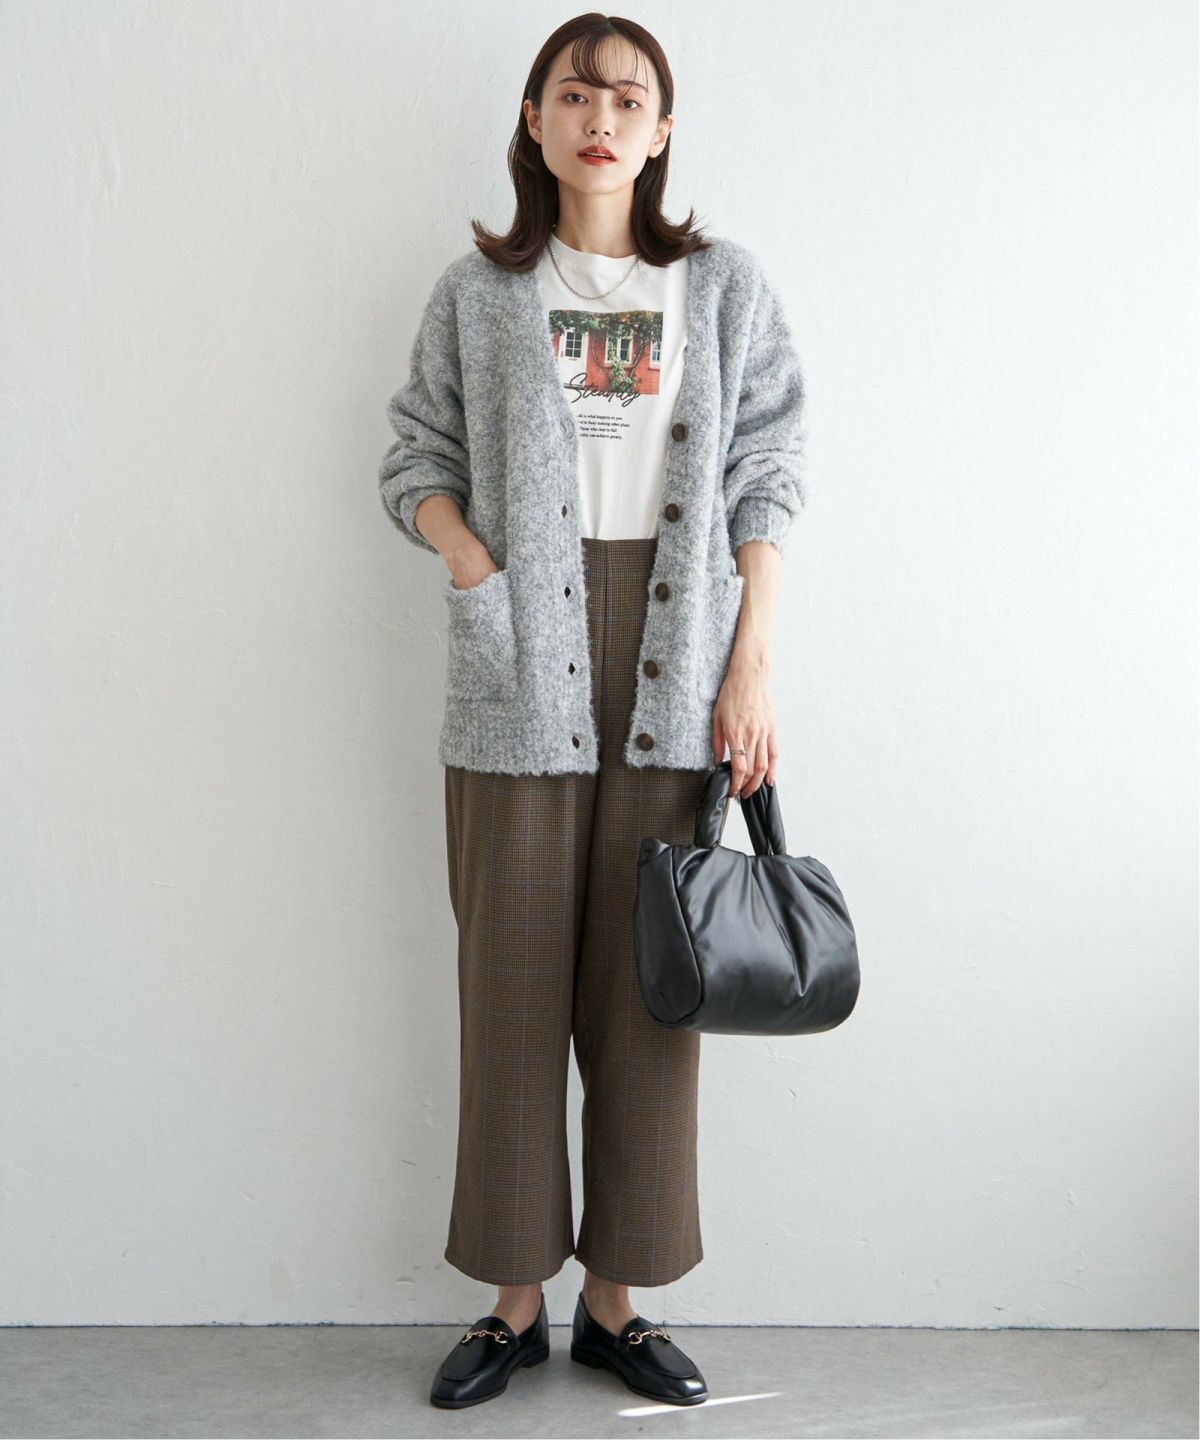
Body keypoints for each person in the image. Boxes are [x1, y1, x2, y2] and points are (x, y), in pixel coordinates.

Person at [378, 14, 809, 1411]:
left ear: (663, 128)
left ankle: (617, 1304)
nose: (602, 118)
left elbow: (768, 466)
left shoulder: (721, 287)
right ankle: (514, 1305)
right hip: (520, 659)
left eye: (630, 98)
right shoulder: (480, 291)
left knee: (647, 999)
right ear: (535, 117)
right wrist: (475, 564)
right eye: (577, 94)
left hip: (675, 660)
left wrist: (751, 662)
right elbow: (416, 455)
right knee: (510, 991)